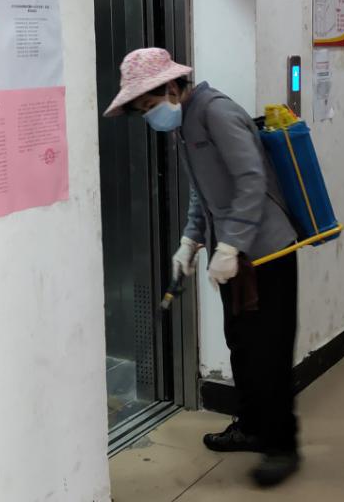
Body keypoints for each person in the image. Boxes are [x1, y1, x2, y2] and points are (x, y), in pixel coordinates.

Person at [103, 47, 301, 487]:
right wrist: (190, 242)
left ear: (172, 89)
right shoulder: (186, 125)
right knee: (242, 345)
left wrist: (231, 244)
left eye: (149, 106)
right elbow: (203, 191)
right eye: (143, 111)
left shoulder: (216, 112)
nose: (149, 116)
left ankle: (282, 446)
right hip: (234, 257)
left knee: (269, 351)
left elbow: (251, 180)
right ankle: (251, 427)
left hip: (267, 252)